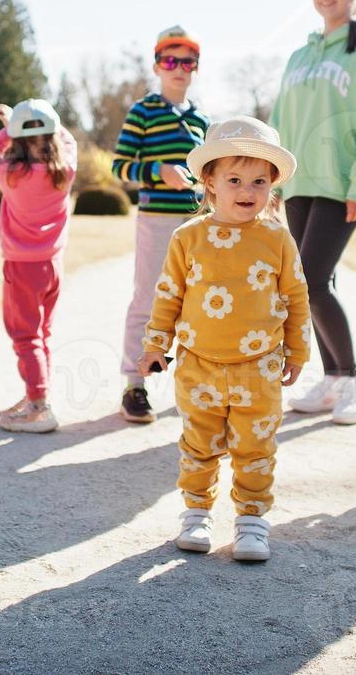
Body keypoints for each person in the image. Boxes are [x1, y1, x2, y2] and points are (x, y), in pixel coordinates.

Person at [139, 116, 312, 562]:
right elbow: (168, 294)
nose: (247, 190)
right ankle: (196, 513)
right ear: (209, 181)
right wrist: (156, 344)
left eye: (258, 181)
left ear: (272, 186)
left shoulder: (277, 238)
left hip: (260, 365)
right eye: (234, 179)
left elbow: (295, 295)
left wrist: (298, 349)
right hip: (198, 364)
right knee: (199, 444)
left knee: (256, 447)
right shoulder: (188, 238)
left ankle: (252, 522)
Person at [269, 0, 356, 425]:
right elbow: (280, 121)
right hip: (299, 182)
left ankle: (351, 378)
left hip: (341, 183)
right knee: (314, 283)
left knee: (310, 279)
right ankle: (332, 380)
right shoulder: (300, 56)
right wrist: (271, 180)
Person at [111, 26, 210, 424]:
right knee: (148, 298)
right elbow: (119, 166)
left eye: (187, 61)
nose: (178, 68)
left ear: (195, 68)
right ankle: (135, 385)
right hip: (156, 218)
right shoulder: (143, 112)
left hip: (196, 222)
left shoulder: (202, 118)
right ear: (157, 66)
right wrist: (158, 170)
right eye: (170, 60)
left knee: (196, 302)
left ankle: (192, 385)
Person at [0, 98, 78, 434]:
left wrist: (8, 126)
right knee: (41, 334)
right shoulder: (65, 171)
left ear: (15, 140)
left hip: (22, 268)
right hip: (53, 266)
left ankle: (39, 405)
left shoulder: (9, 173)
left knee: (25, 336)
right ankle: (36, 394)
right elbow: (69, 141)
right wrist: (47, 122)